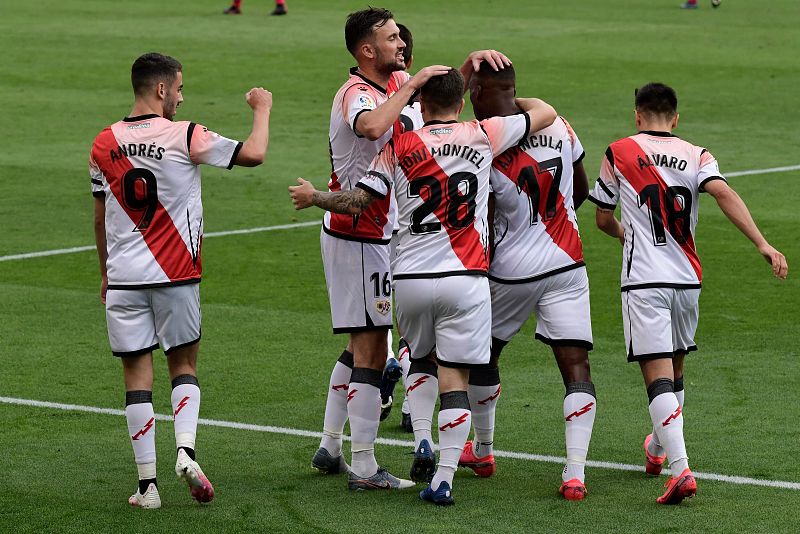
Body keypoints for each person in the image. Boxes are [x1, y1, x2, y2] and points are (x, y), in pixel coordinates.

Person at [290, 68, 557, 505]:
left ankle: (416, 441)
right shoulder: (483, 132)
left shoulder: (399, 145)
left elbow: (359, 200)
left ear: (420, 106)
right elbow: (546, 113)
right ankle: (444, 480)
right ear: (463, 102)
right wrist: (511, 98)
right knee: (456, 376)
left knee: (421, 362)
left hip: (410, 280)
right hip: (465, 278)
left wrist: (316, 196)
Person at [308, 6, 511, 492]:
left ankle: (331, 445)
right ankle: (363, 466)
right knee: (371, 349)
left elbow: (437, 111)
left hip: (385, 233)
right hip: (355, 231)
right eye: (392, 38)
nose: (402, 44)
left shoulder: (398, 79)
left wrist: (461, 70)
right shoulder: (355, 93)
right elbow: (375, 127)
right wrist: (411, 82)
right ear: (366, 50)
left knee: (363, 341)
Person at [588, 82, 787, 504]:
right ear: (675, 118)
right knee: (676, 369)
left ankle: (680, 470)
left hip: (644, 279)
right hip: (687, 280)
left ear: (637, 114)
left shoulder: (619, 151)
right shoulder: (698, 153)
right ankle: (658, 448)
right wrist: (763, 244)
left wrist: (627, 236)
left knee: (656, 375)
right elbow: (724, 193)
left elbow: (603, 219)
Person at [90, 52, 271, 509]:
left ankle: (147, 486)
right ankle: (186, 452)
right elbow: (254, 154)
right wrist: (261, 109)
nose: (181, 96)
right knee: (183, 364)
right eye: (180, 88)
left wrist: (105, 275)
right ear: (160, 90)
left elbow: (99, 217)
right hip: (176, 273)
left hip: (124, 277)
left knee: (136, 374)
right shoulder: (185, 134)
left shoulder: (102, 143)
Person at [466, 64, 597, 501]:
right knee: (576, 367)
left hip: (512, 268)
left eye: (472, 92)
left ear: (483, 91)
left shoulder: (485, 140)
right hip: (568, 262)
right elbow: (580, 187)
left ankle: (482, 451)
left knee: (485, 354)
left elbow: (475, 212)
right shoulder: (559, 123)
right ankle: (575, 474)